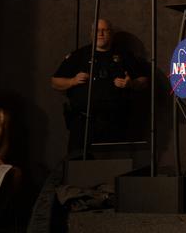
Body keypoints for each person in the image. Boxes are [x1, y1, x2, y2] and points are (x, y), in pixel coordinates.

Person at [50, 18, 149, 157]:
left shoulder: (125, 55)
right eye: (97, 30)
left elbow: (144, 81)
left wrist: (131, 84)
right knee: (79, 169)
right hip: (84, 125)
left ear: (111, 33)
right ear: (91, 34)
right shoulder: (79, 55)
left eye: (105, 30)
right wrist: (72, 81)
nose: (100, 34)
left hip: (116, 124)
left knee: (113, 169)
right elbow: (55, 81)